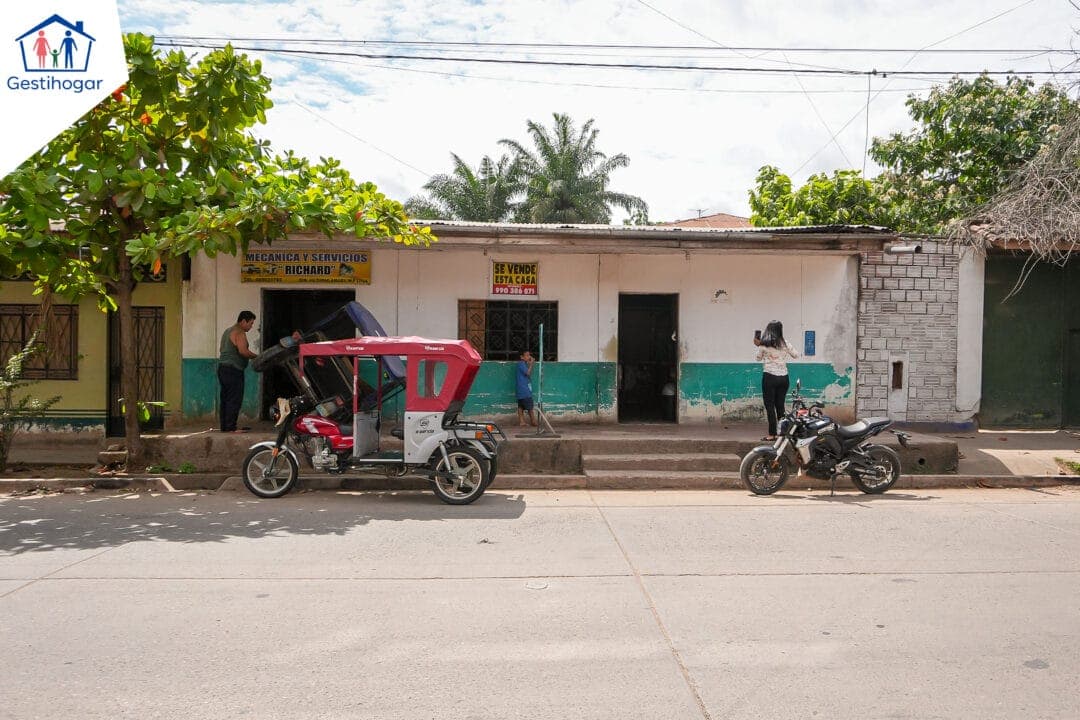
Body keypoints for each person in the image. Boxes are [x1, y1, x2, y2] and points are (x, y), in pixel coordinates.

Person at [753, 320, 798, 440]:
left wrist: (759, 345)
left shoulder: (764, 345)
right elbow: (796, 354)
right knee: (780, 406)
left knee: (770, 406)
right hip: (784, 378)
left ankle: (772, 434)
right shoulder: (786, 343)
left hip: (770, 377)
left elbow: (757, 358)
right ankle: (782, 433)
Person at [218, 311, 258, 433]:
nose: (251, 327)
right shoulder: (239, 332)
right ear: (243, 321)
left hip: (222, 369)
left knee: (225, 398)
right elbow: (243, 351)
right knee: (234, 399)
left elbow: (221, 349)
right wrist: (257, 357)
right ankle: (231, 427)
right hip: (233, 370)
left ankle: (225, 426)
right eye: (250, 323)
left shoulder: (227, 331)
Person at [516, 350, 536, 427]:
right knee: (530, 407)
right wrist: (531, 364)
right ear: (521, 357)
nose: (529, 357)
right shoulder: (521, 364)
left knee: (521, 406)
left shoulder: (521, 364)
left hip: (520, 389)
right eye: (527, 355)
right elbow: (528, 373)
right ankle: (533, 421)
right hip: (524, 389)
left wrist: (528, 363)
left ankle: (522, 421)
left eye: (529, 355)